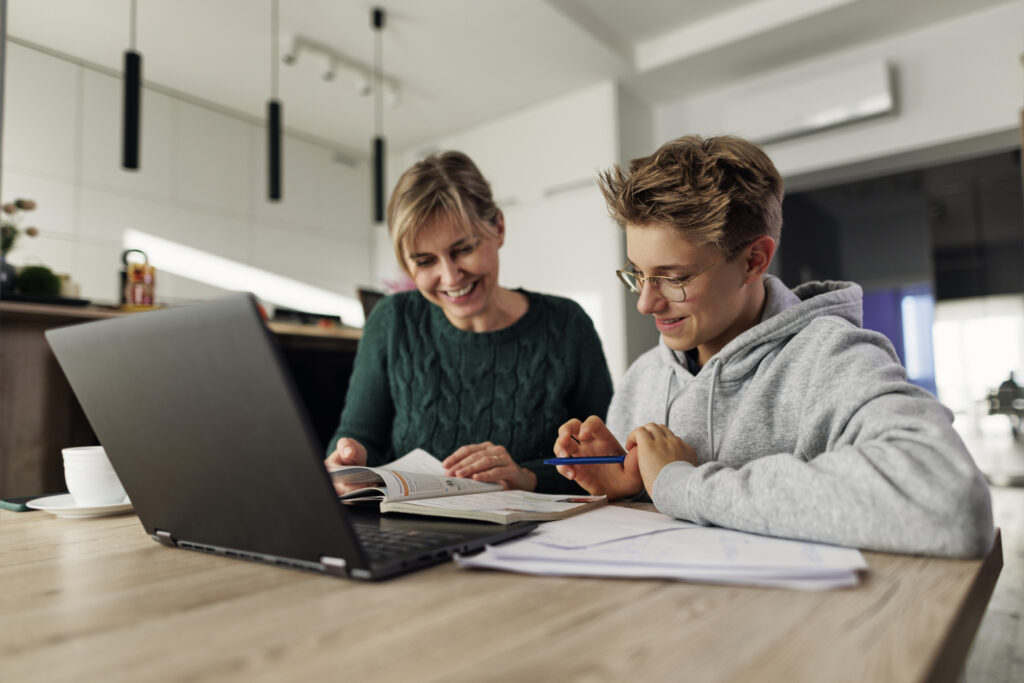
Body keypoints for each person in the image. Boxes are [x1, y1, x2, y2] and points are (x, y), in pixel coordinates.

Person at [552, 135, 994, 558]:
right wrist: (632, 489)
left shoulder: (831, 359)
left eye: (674, 277)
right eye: (638, 274)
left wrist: (679, 483)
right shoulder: (642, 377)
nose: (646, 303)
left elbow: (950, 501)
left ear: (753, 261)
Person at [325, 151, 613, 493]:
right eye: (425, 260)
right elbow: (358, 438)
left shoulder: (567, 325)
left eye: (462, 249)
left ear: (498, 228)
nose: (449, 276)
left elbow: (607, 460)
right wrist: (345, 463)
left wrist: (526, 477)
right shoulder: (392, 321)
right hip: (415, 535)